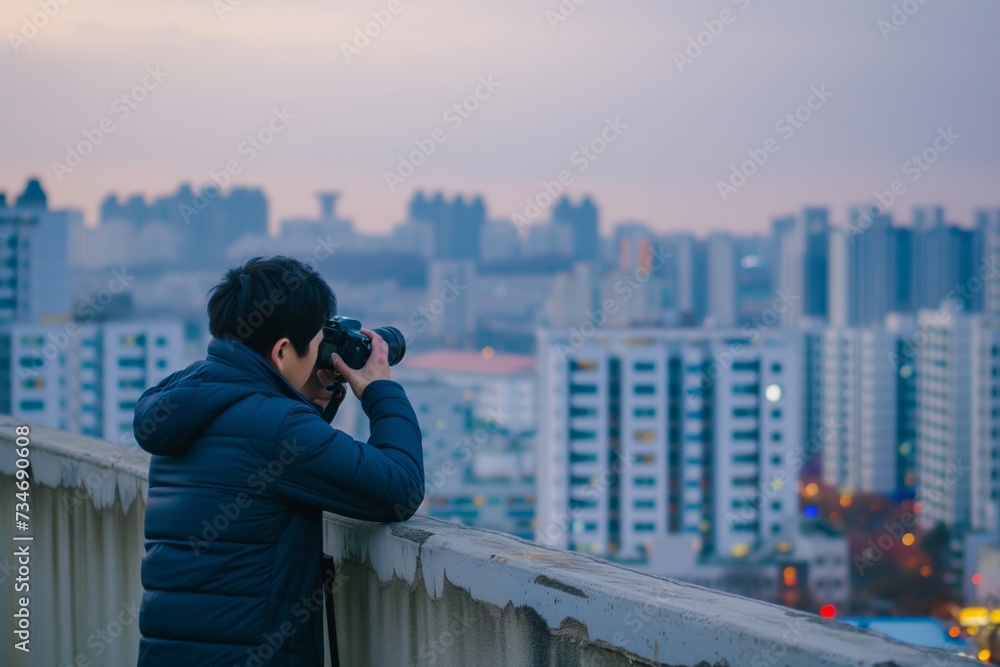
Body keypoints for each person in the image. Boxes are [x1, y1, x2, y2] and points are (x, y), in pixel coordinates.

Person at [132, 255, 424, 666]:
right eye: (319, 343)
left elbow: (273, 465)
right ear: (283, 350)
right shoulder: (278, 426)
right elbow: (400, 489)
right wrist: (380, 391)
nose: (322, 353)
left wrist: (315, 397)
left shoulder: (189, 401)